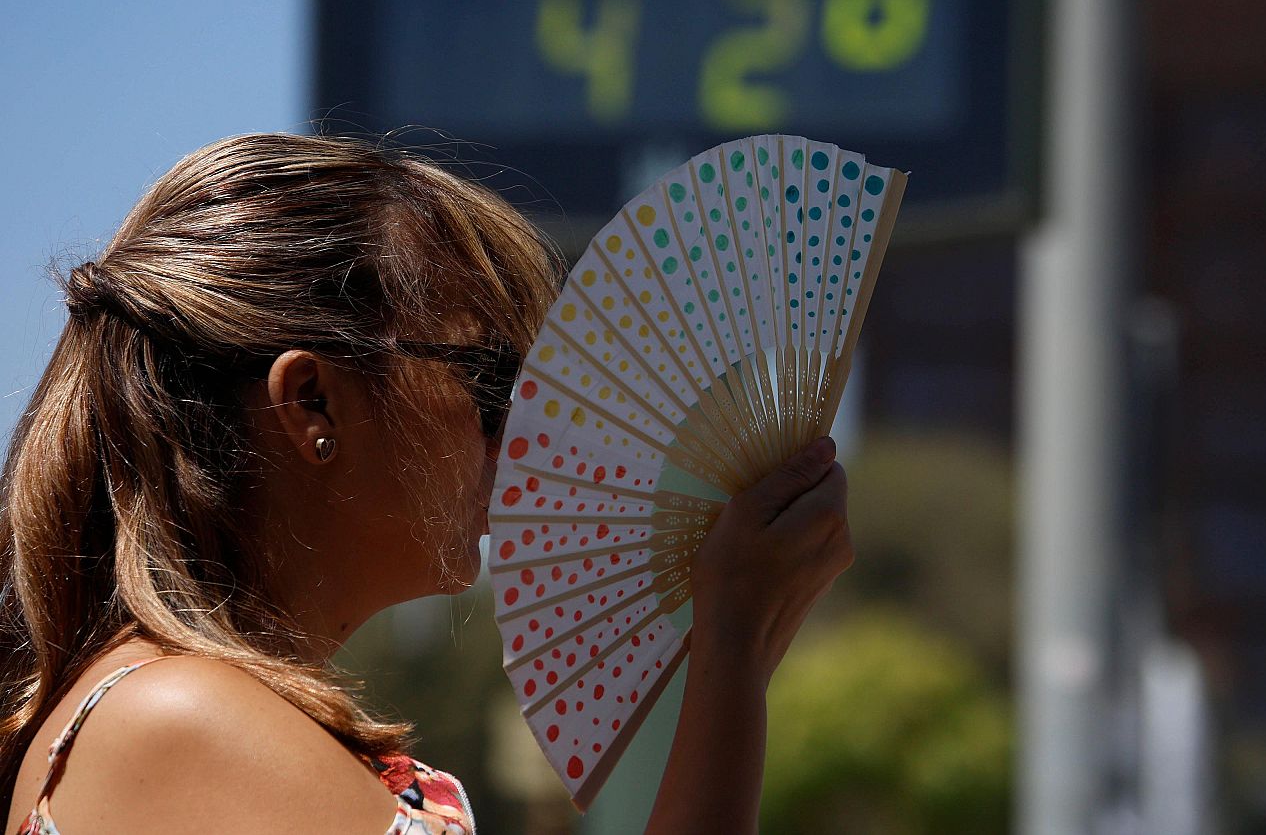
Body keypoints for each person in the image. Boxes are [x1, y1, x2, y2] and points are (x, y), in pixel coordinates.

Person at [0, 132, 853, 834]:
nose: (522, 435)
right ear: (311, 403)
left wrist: (736, 647)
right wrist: (733, 653)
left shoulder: (175, 711)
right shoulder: (181, 723)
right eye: (489, 381)